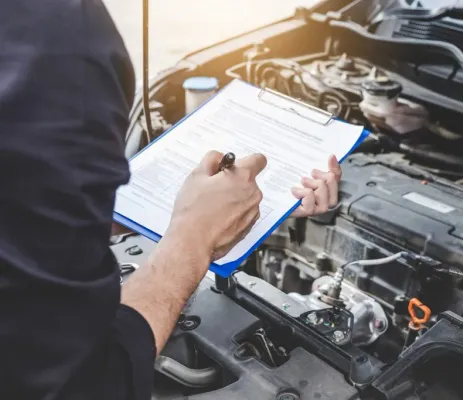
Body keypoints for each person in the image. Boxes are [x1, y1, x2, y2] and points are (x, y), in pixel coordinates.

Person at [0, 1, 342, 399]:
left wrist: (230, 207)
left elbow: (24, 211)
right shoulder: (53, 36)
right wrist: (193, 236)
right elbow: (80, 383)